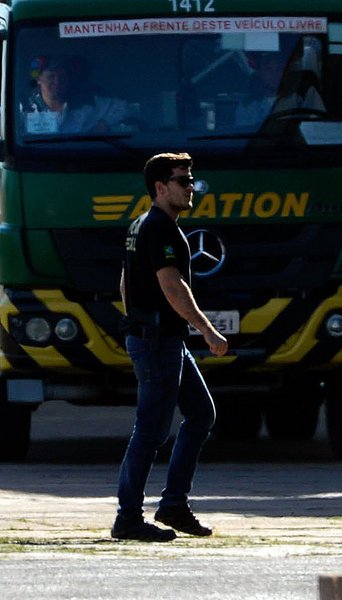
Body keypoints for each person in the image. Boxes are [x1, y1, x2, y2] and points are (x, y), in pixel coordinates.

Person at [111, 153, 229, 542]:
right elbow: (172, 286)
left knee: (200, 413)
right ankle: (128, 517)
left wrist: (135, 319)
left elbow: (126, 280)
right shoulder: (161, 228)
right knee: (151, 429)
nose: (190, 187)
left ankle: (174, 504)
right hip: (158, 341)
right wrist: (208, 331)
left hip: (162, 339)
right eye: (182, 181)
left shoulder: (142, 225)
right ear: (161, 188)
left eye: (191, 179)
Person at [20, 55, 128, 134]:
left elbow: (124, 107)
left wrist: (104, 124)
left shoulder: (88, 103)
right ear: (39, 79)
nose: (57, 82)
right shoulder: (23, 108)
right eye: (51, 77)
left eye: (62, 77)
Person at [234, 47, 325, 127]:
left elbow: (320, 126)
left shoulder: (304, 93)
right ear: (259, 72)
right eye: (268, 69)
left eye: (279, 68)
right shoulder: (247, 103)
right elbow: (242, 134)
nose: (275, 74)